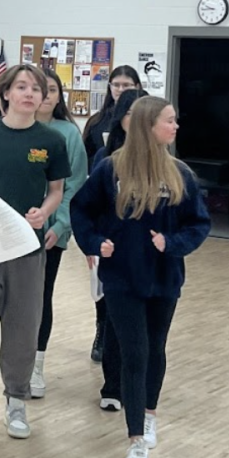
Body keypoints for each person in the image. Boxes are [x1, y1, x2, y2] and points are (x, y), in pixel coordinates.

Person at [71, 96, 211, 458]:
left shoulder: (180, 173)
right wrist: (94, 242)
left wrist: (173, 245)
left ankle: (150, 414)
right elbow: (82, 210)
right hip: (120, 277)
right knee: (134, 353)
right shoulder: (110, 169)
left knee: (155, 348)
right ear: (150, 126)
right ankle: (136, 442)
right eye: (170, 120)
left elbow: (198, 224)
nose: (176, 126)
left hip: (164, 279)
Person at [0, 65, 69, 446]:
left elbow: (56, 189)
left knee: (22, 327)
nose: (30, 94)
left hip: (26, 248)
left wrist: (45, 211)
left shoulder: (50, 141)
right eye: (21, 87)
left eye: (36, 89)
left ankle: (16, 402)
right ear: (5, 93)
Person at [28, 68, 87, 400]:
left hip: (51, 232)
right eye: (39, 89)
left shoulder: (68, 134)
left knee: (41, 296)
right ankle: (15, 362)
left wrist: (61, 224)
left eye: (51, 90)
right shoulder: (15, 130)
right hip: (14, 229)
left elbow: (74, 185)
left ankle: (36, 366)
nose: (45, 95)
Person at [90, 87, 147, 412]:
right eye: (130, 114)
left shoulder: (164, 160)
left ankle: (136, 385)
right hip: (112, 251)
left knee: (142, 324)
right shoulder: (105, 159)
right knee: (114, 319)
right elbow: (92, 207)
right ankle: (112, 385)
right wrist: (93, 242)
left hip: (148, 256)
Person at [80, 65, 141, 363]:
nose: (120, 89)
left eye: (127, 84)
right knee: (101, 284)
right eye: (116, 84)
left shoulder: (148, 125)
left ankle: (125, 339)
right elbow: (85, 168)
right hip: (103, 212)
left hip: (136, 218)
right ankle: (102, 330)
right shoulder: (95, 124)